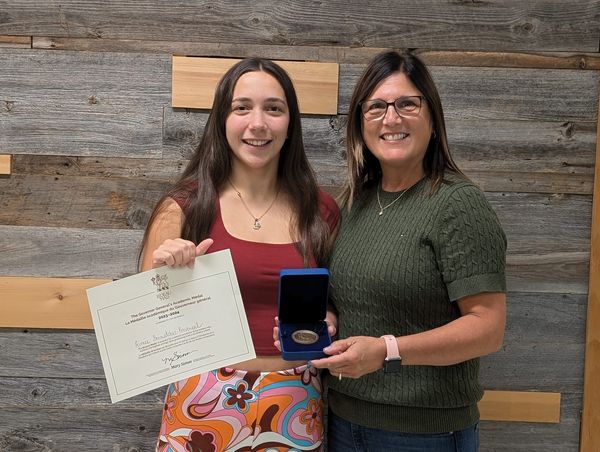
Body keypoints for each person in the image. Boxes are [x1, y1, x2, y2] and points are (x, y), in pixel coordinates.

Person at [309, 51, 507, 451]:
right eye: (377, 106)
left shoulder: (457, 204)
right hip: (342, 421)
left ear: (432, 119)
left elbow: (488, 328)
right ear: (359, 123)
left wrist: (386, 351)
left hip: (424, 434)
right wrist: (327, 317)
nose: (391, 118)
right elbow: (344, 296)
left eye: (407, 104)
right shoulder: (350, 203)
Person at [140, 57, 340, 452]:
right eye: (242, 107)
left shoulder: (323, 212)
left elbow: (336, 306)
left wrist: (330, 320)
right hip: (202, 399)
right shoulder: (183, 206)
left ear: (290, 124)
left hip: (295, 401)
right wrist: (166, 272)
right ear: (221, 120)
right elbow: (146, 327)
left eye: (274, 108)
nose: (258, 123)